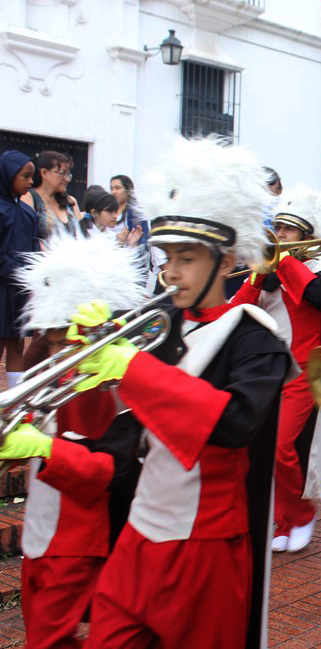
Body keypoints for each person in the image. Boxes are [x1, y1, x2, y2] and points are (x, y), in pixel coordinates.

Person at [77, 136, 293, 649]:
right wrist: (83, 367)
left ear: (223, 262)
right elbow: (109, 426)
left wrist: (129, 368)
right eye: (167, 255)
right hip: (136, 537)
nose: (170, 270)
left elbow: (235, 424)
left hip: (206, 551)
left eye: (187, 258)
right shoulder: (157, 322)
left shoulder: (256, 339)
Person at [3, 233, 145, 649]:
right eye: (52, 340)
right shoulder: (46, 372)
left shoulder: (113, 388)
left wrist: (43, 448)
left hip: (77, 542)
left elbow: (110, 471)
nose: (59, 351)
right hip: (40, 536)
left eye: (67, 340)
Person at [232, 183, 321, 552]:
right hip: (264, 372)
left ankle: (302, 514)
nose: (277, 236)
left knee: (282, 446)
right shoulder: (269, 267)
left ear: (306, 235)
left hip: (303, 372)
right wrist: (256, 275)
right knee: (262, 449)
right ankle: (282, 520)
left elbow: (317, 297)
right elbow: (235, 312)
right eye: (276, 228)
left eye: (287, 229)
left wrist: (284, 259)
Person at [0, 150, 39, 388]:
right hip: (1, 287)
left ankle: (16, 404)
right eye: (25, 176)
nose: (30, 182)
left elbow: (33, 249)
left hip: (18, 291)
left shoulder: (28, 213)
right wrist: (17, 271)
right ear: (7, 175)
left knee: (16, 344)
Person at [24, 151, 80, 244]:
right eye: (63, 173)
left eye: (68, 174)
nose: (67, 179)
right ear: (44, 173)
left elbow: (81, 236)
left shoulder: (70, 202)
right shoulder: (29, 198)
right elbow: (26, 237)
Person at [109, 174, 147, 248]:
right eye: (112, 189)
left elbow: (142, 240)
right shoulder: (108, 210)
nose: (114, 192)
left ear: (128, 190)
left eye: (117, 188)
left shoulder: (135, 213)